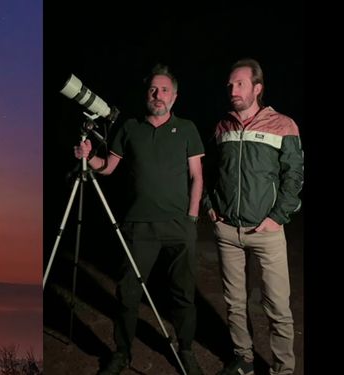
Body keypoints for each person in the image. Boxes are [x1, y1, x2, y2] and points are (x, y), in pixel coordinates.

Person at [74, 64, 205, 375]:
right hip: (137, 226)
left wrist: (191, 218)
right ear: (146, 94)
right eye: (153, 90)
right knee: (128, 292)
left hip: (178, 226)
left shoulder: (187, 128)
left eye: (164, 90)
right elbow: (107, 167)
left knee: (183, 292)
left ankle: (185, 349)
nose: (157, 95)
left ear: (175, 96)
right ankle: (122, 353)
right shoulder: (129, 128)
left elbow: (197, 177)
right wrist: (87, 155)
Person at [203, 58, 303, 375]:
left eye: (240, 84)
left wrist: (278, 216)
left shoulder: (284, 125)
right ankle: (243, 359)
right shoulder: (222, 127)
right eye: (230, 84)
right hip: (228, 231)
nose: (233, 89)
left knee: (277, 307)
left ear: (257, 88)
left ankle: (283, 369)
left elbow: (294, 177)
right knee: (234, 302)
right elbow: (206, 172)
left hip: (267, 231)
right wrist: (210, 206)